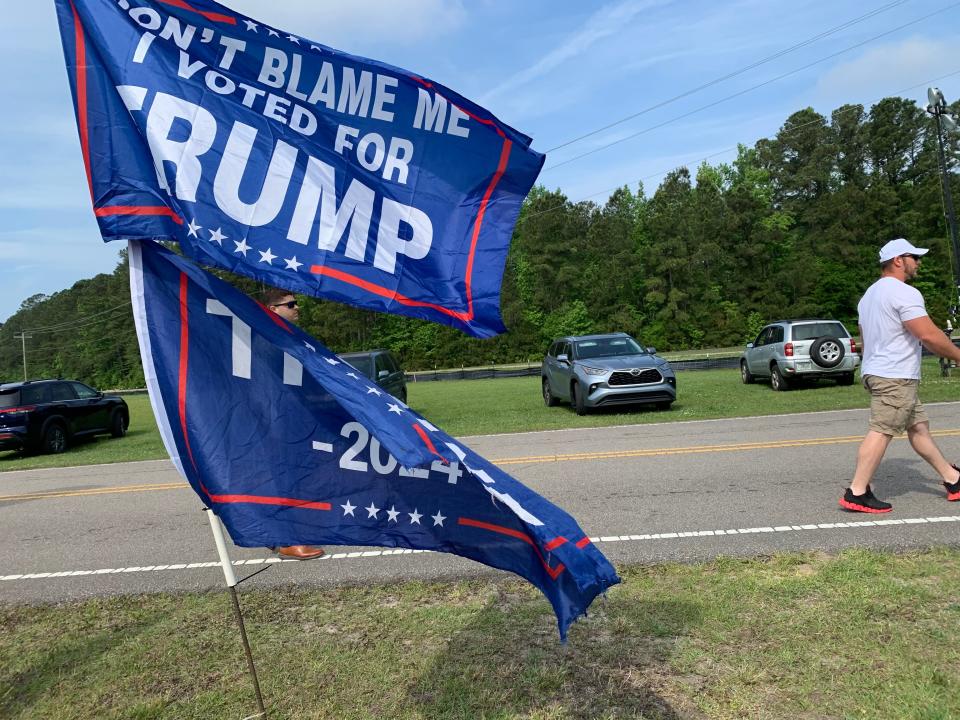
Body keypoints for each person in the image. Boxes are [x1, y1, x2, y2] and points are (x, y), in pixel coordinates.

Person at [840, 238, 960, 513]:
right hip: (894, 376)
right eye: (914, 257)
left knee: (918, 428)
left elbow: (864, 337)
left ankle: (953, 480)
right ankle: (857, 491)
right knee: (882, 430)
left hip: (879, 371)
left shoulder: (869, 295)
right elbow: (928, 334)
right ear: (898, 260)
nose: (918, 262)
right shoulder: (903, 292)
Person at [262, 287, 326, 560]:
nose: (297, 307)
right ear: (273, 309)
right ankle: (286, 540)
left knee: (299, 476)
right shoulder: (266, 339)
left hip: (291, 419)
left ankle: (284, 536)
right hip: (272, 421)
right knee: (283, 478)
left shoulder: (288, 338)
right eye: (291, 304)